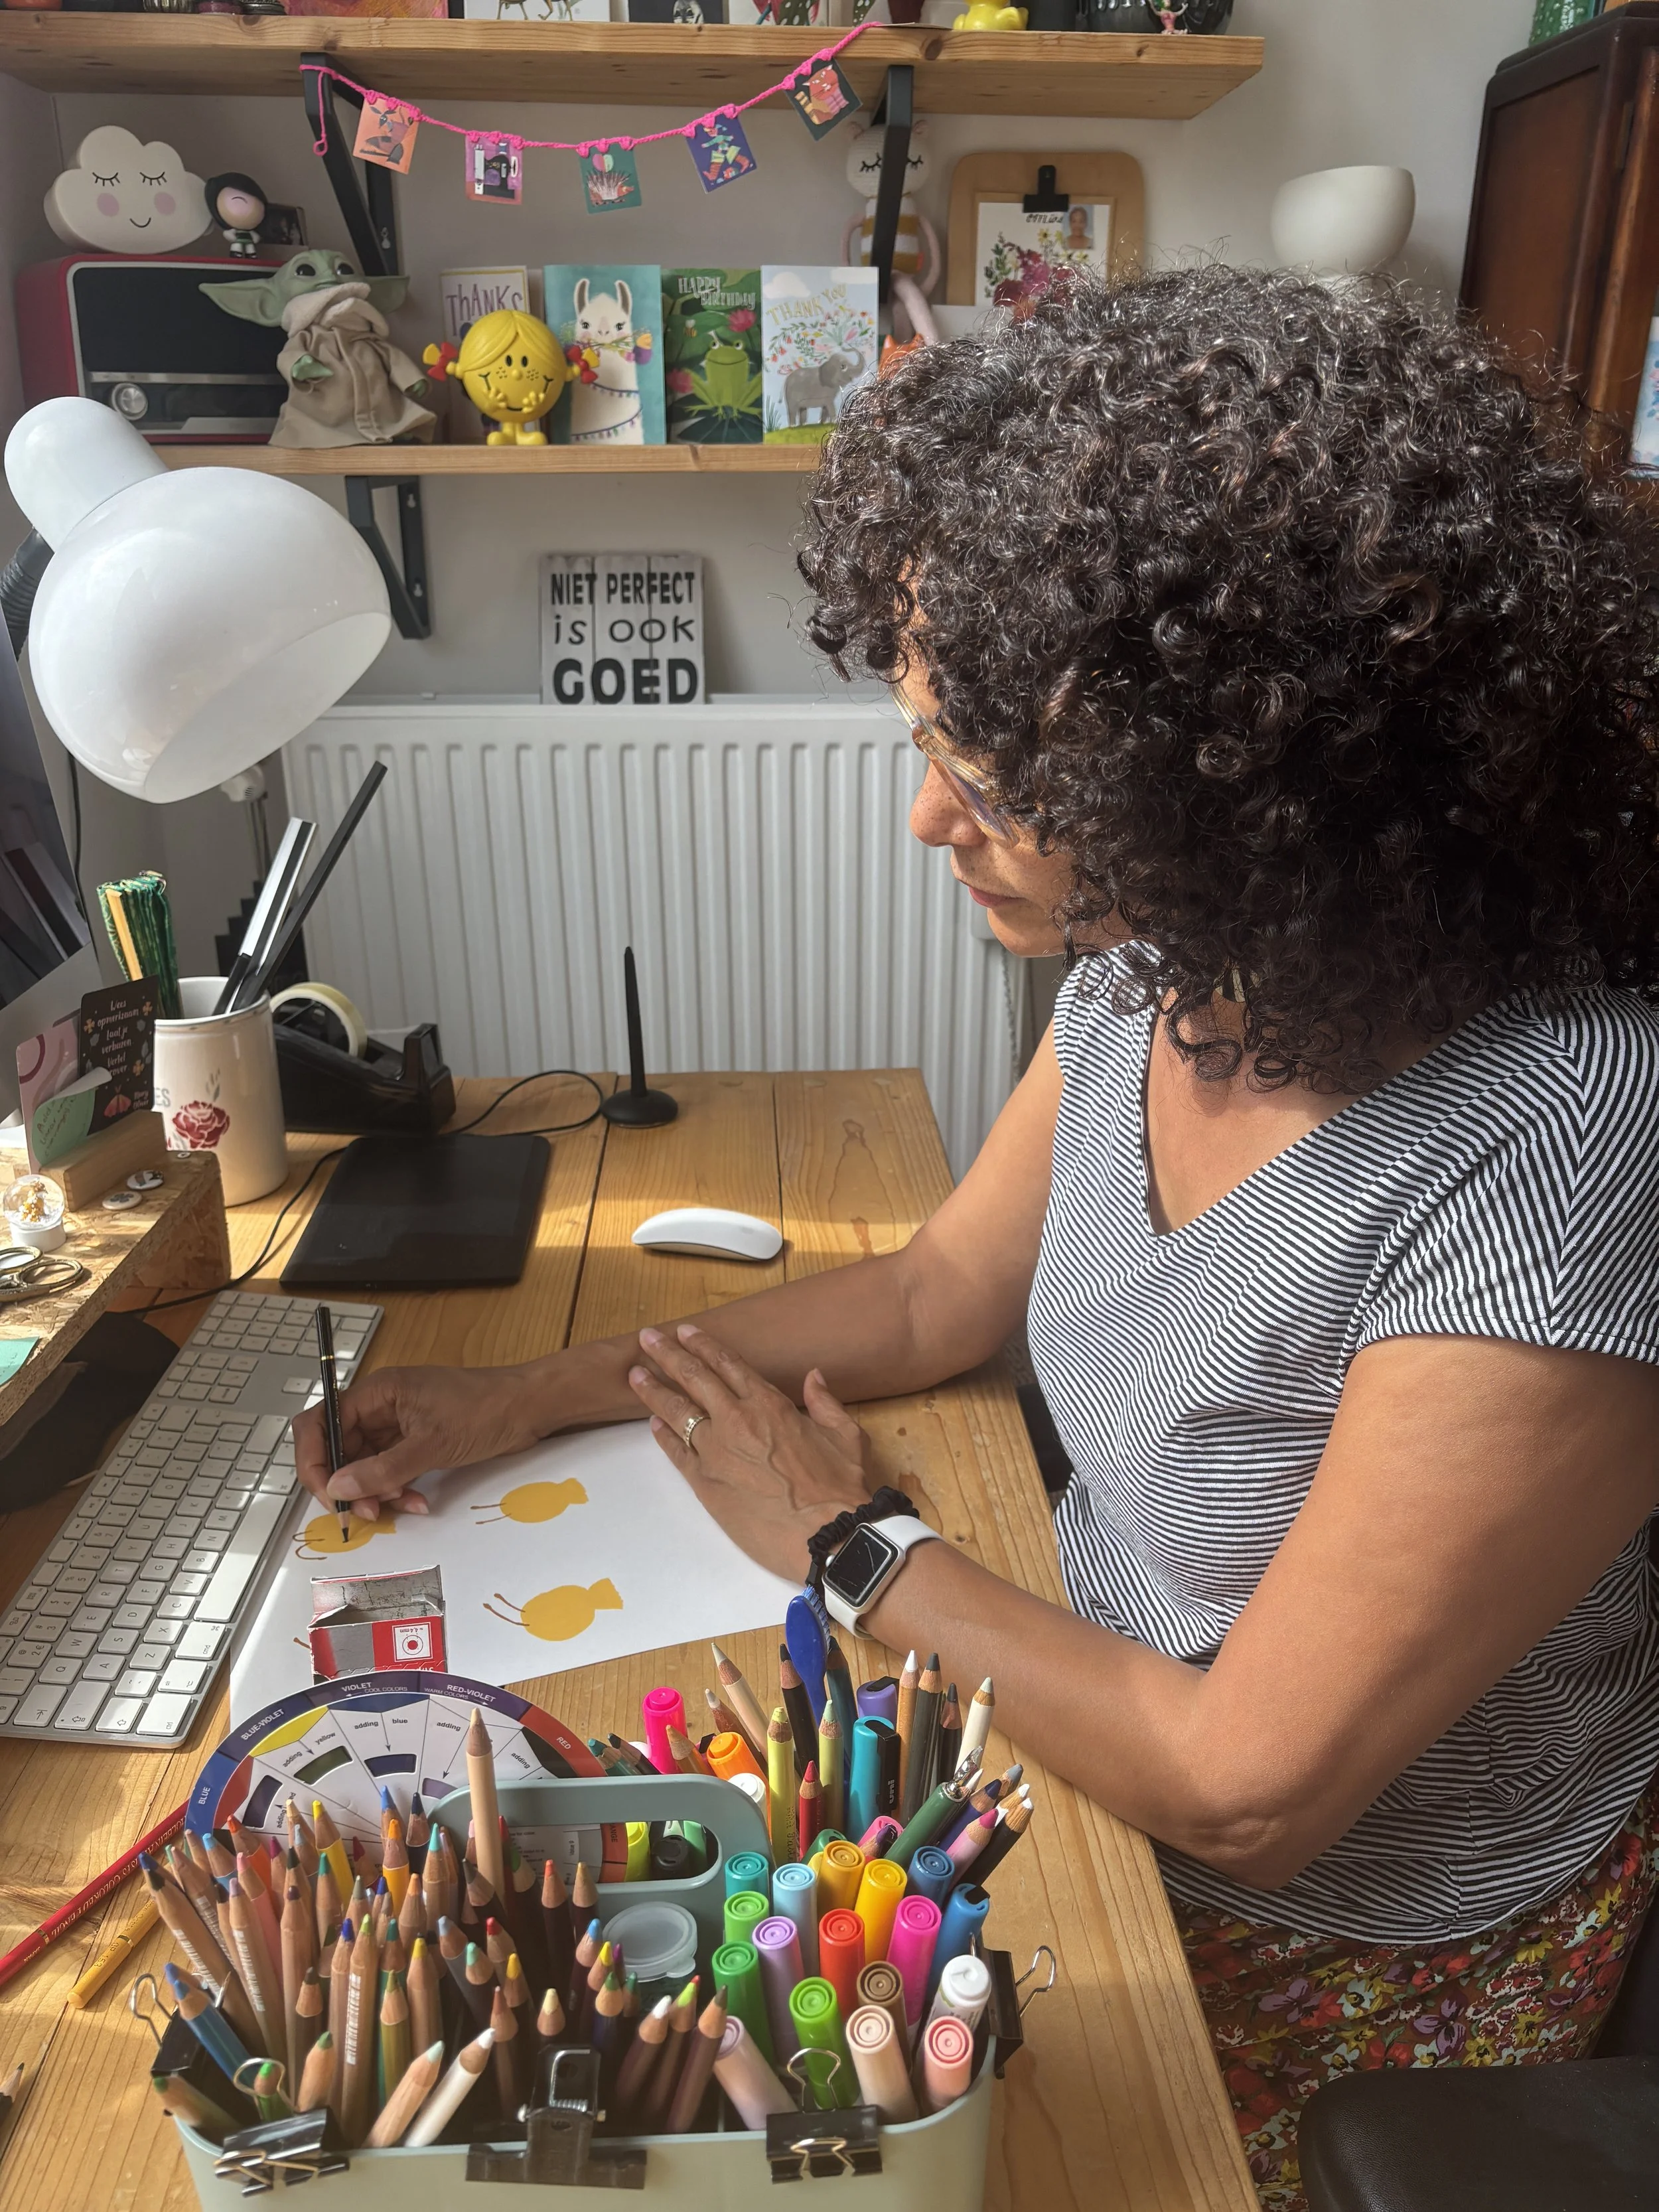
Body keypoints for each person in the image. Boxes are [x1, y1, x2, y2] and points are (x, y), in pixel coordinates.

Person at [295, 269, 1659, 2210]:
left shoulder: (1564, 1138)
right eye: (927, 739)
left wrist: (852, 1544)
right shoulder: (1161, 963)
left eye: (1004, 782)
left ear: (1265, 779)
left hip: (1341, 1940)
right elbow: (942, 1288)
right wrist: (534, 1393)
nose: (928, 818)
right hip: (1051, 1730)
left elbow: (1251, 1788)